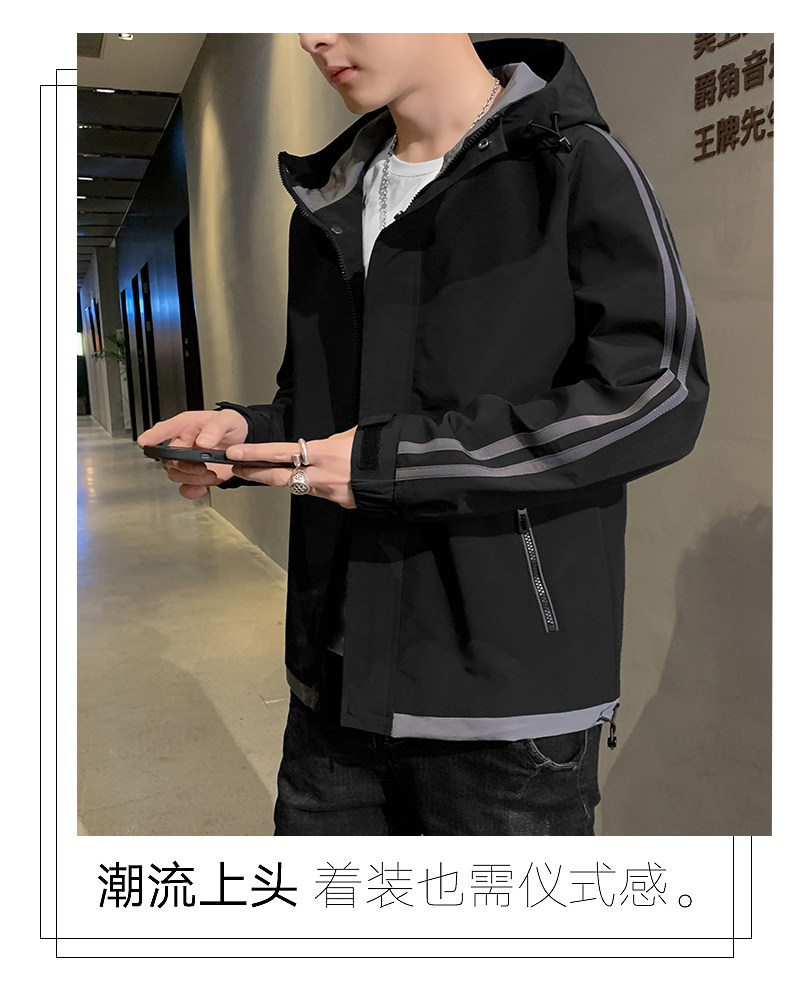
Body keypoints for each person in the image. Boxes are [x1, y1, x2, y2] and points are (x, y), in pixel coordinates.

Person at [138, 34, 709, 836]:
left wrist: (393, 464)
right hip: (333, 689)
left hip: (503, 705)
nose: (315, 37)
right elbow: (324, 411)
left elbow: (656, 393)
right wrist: (243, 434)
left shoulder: (571, 163)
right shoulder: (330, 202)